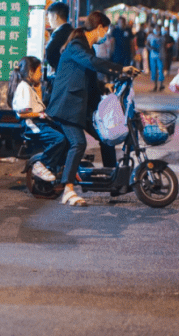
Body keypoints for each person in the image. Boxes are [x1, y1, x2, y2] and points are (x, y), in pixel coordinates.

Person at [45, 11, 132, 206]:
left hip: (81, 107)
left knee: (106, 137)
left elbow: (90, 83)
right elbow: (92, 63)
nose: (106, 35)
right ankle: (68, 189)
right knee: (78, 143)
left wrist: (106, 90)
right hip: (66, 106)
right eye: (105, 30)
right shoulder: (77, 46)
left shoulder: (88, 48)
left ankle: (114, 183)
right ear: (99, 27)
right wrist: (119, 69)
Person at [7, 56, 67, 183]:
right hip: (32, 124)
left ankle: (55, 165)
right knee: (58, 139)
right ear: (30, 72)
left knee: (62, 136)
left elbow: (37, 104)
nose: (40, 74)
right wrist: (39, 115)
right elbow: (22, 112)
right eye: (39, 71)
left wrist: (38, 88)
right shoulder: (23, 87)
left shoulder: (28, 87)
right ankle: (41, 165)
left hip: (37, 123)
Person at [44, 2, 73, 75]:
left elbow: (49, 52)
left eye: (49, 16)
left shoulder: (58, 34)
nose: (48, 20)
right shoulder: (73, 31)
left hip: (61, 73)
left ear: (55, 16)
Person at [145, 24, 166, 91]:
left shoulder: (163, 37)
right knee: (153, 71)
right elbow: (146, 44)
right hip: (153, 56)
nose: (157, 30)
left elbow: (164, 46)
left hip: (161, 56)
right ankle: (155, 85)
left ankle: (161, 85)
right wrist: (150, 48)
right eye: (156, 28)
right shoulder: (150, 36)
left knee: (160, 70)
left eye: (158, 29)